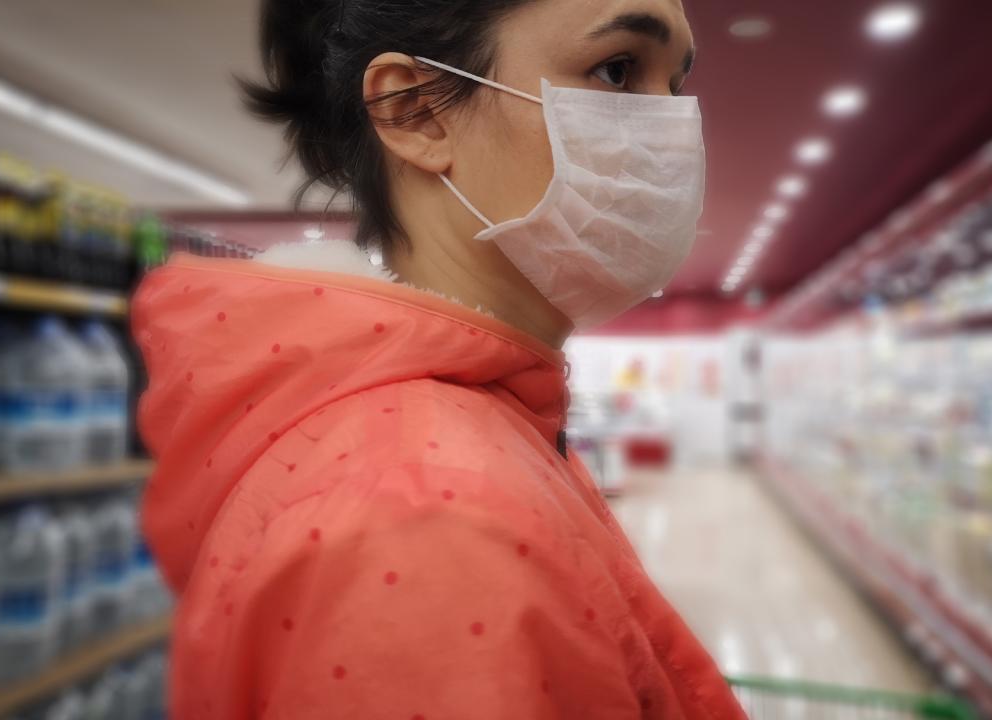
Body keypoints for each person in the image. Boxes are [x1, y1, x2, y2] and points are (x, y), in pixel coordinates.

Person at [132, 0, 743, 717]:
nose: (671, 132)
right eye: (617, 70)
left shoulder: (478, 415)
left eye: (676, 84)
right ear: (415, 110)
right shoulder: (427, 516)